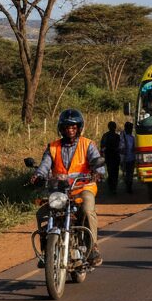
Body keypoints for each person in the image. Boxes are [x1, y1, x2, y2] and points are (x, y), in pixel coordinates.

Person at [32, 108, 106, 266]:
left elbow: (97, 161)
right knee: (42, 214)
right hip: (59, 190)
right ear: (61, 129)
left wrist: (98, 173)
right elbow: (45, 165)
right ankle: (47, 250)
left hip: (83, 187)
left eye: (73, 127)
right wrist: (38, 176)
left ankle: (92, 247)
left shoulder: (87, 144)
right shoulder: (53, 147)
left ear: (79, 128)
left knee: (87, 209)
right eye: (67, 127)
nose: (70, 130)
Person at [100, 120, 121, 194]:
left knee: (111, 172)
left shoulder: (105, 136)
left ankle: (112, 187)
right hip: (114, 156)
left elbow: (102, 147)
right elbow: (120, 147)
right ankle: (113, 187)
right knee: (115, 173)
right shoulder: (117, 136)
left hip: (109, 156)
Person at [120, 121, 137, 193]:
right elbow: (121, 148)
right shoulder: (124, 137)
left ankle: (129, 186)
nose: (130, 129)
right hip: (126, 159)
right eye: (129, 128)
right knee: (128, 173)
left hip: (130, 158)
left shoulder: (132, 137)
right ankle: (128, 186)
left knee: (129, 173)